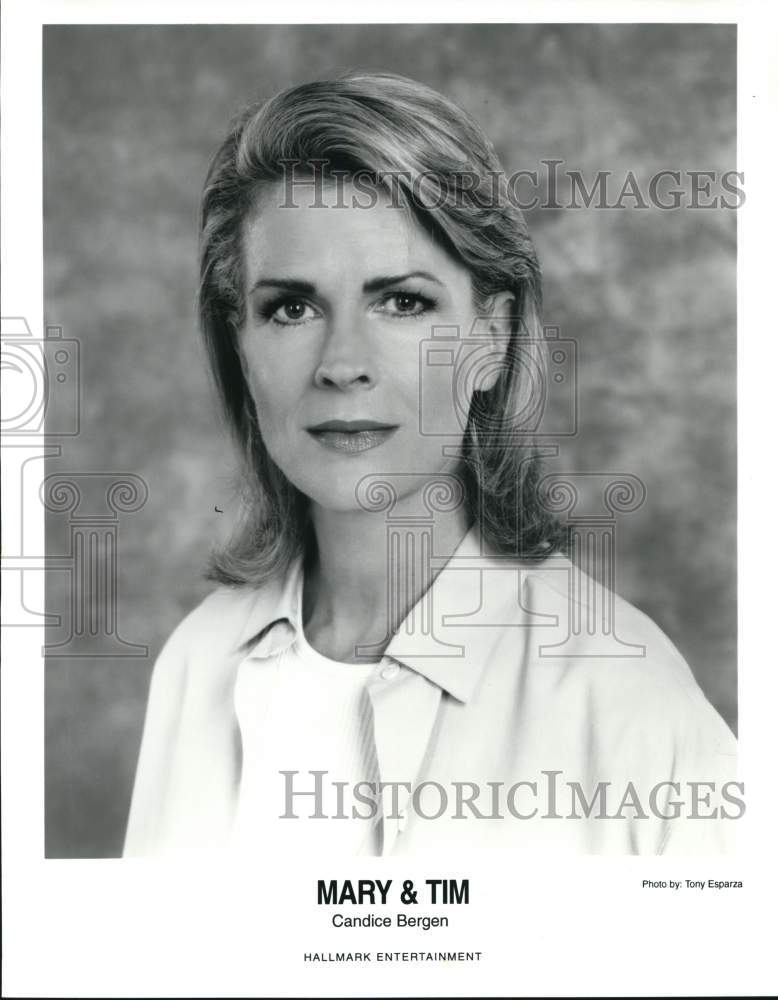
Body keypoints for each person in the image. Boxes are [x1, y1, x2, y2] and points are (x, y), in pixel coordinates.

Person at [124, 72, 739, 858]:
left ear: (491, 338)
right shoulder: (195, 663)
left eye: (403, 302)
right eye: (292, 307)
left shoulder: (628, 701)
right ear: (240, 345)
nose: (343, 364)